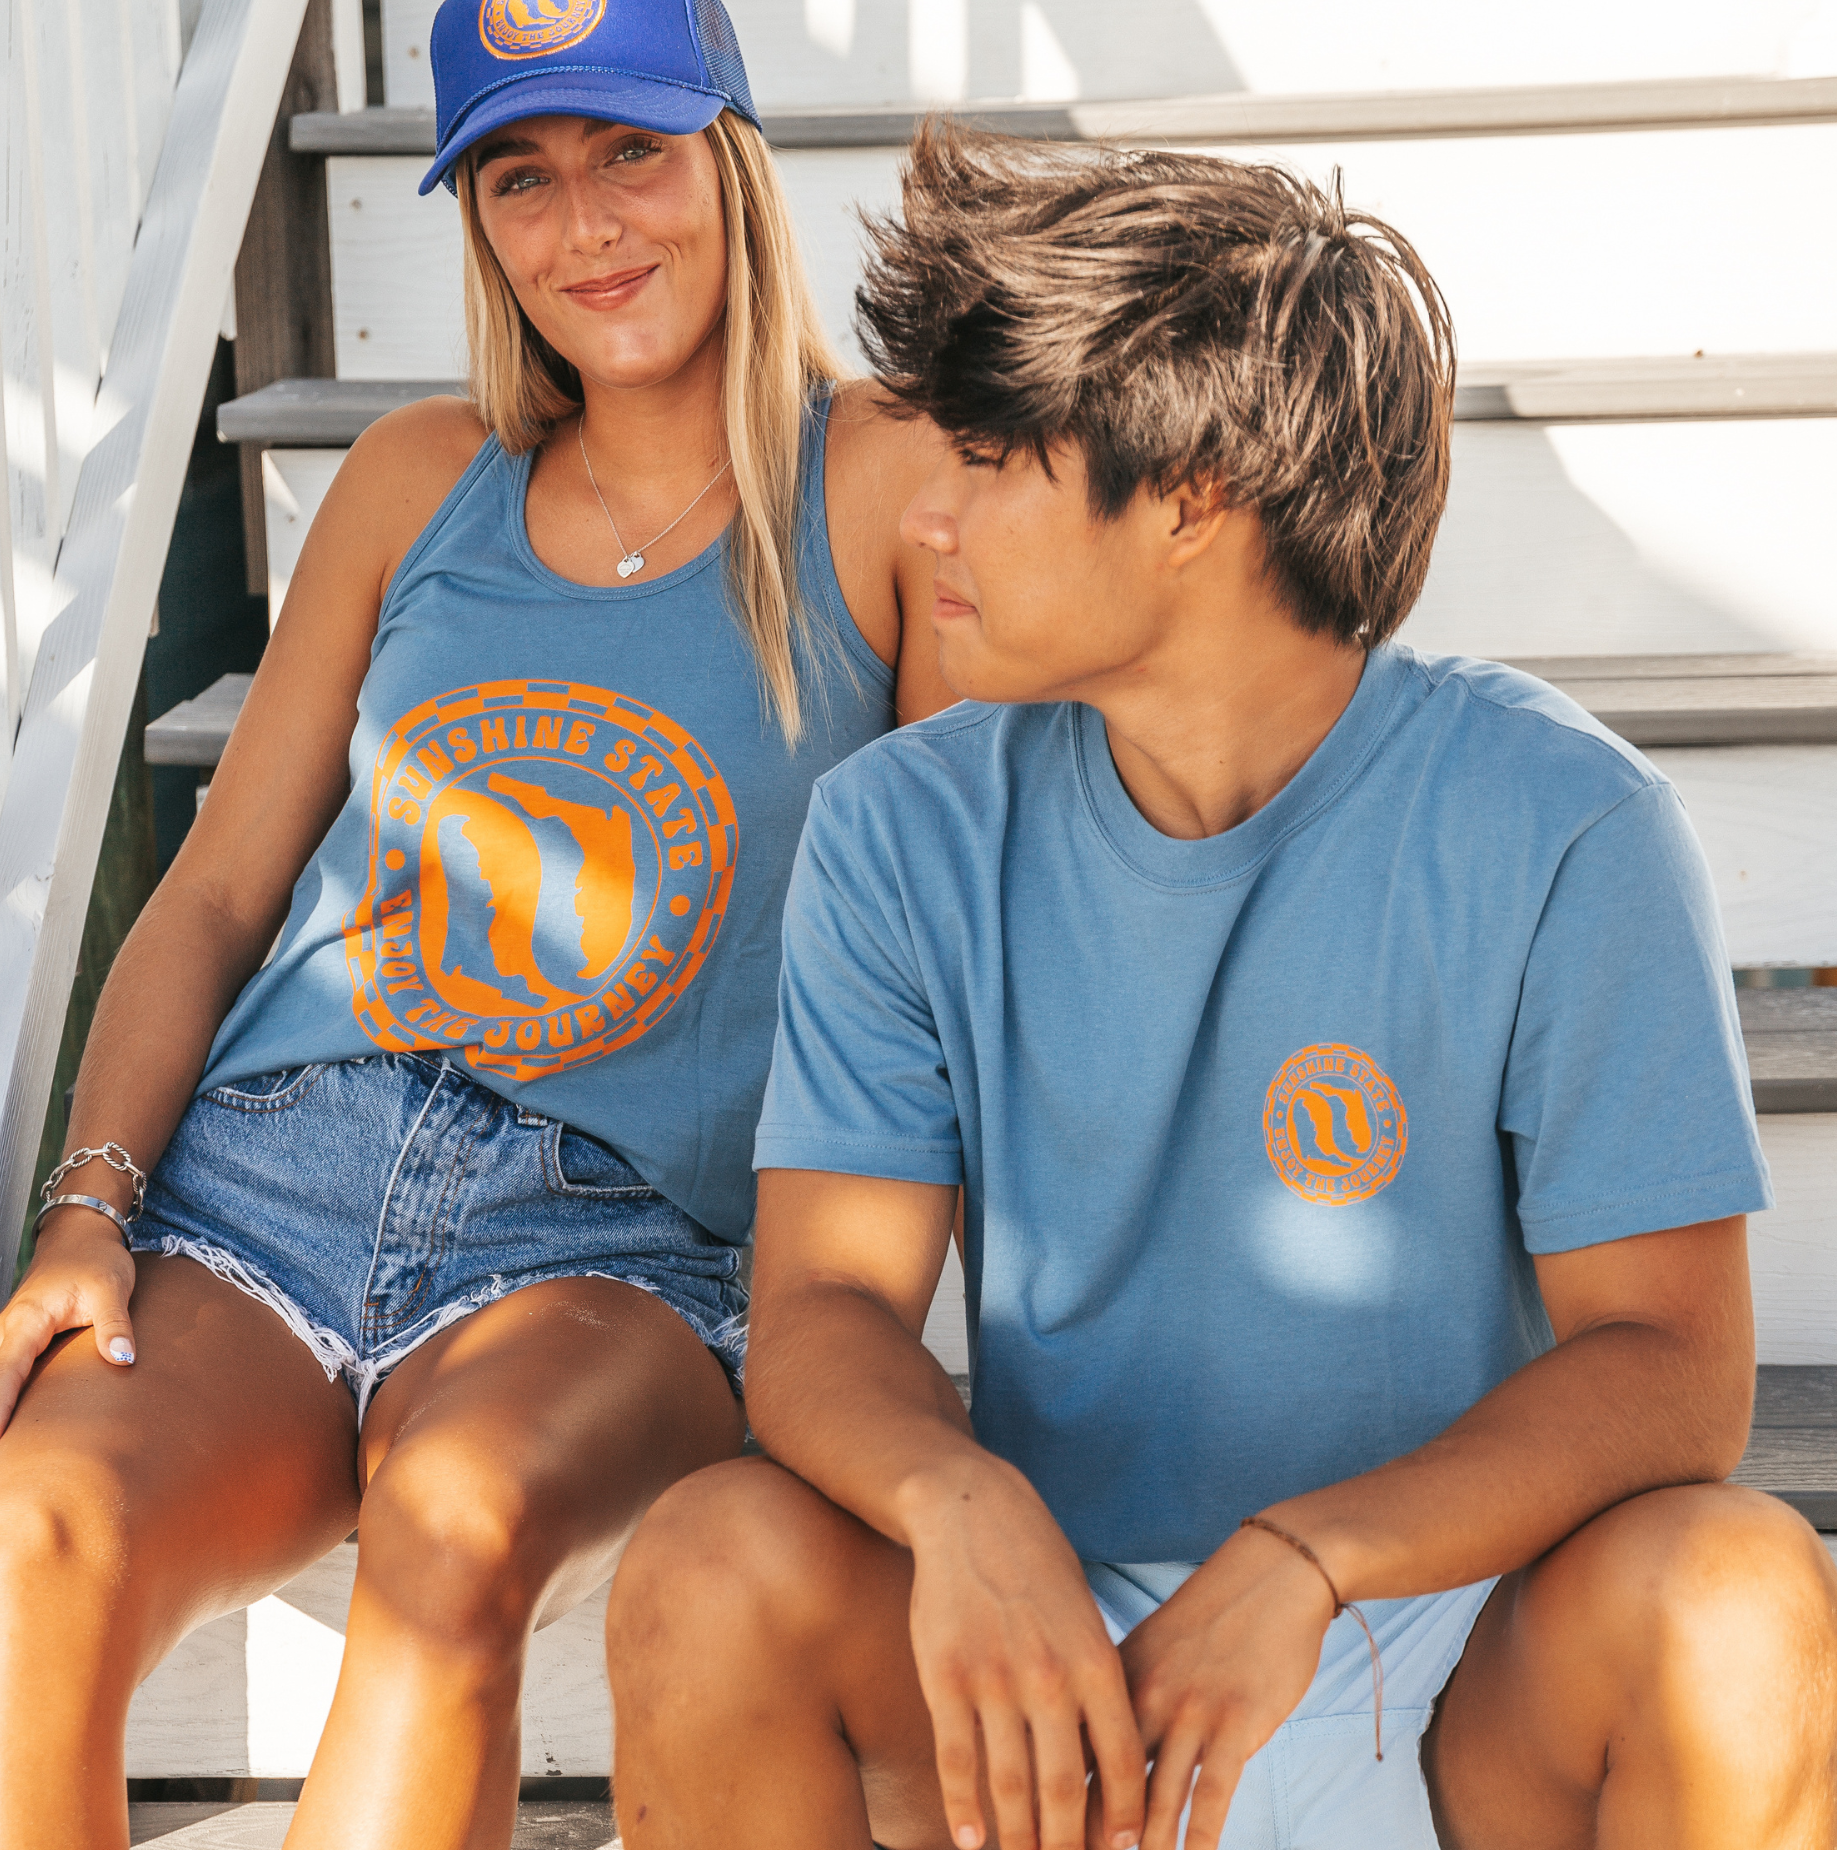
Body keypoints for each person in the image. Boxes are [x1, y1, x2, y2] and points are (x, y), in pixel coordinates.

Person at [605, 130, 1837, 1850]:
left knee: (1741, 1592)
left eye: (987, 460)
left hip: (1442, 1638)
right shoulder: (902, 827)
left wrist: (1315, 1558)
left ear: (1191, 497)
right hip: (1052, 1660)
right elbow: (823, 1309)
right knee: (707, 1564)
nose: (926, 517)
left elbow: (1675, 1370)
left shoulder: (1564, 823)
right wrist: (956, 1502)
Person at [0, 0, 947, 1850]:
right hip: (269, 1175)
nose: (588, 227)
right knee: (35, 1527)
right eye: (521, 178)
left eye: (632, 153)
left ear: (729, 160)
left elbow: (969, 938)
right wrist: (86, 1209)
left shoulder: (882, 483)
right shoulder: (418, 480)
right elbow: (217, 892)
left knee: (453, 1527)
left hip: (615, 1237)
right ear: (479, 226)